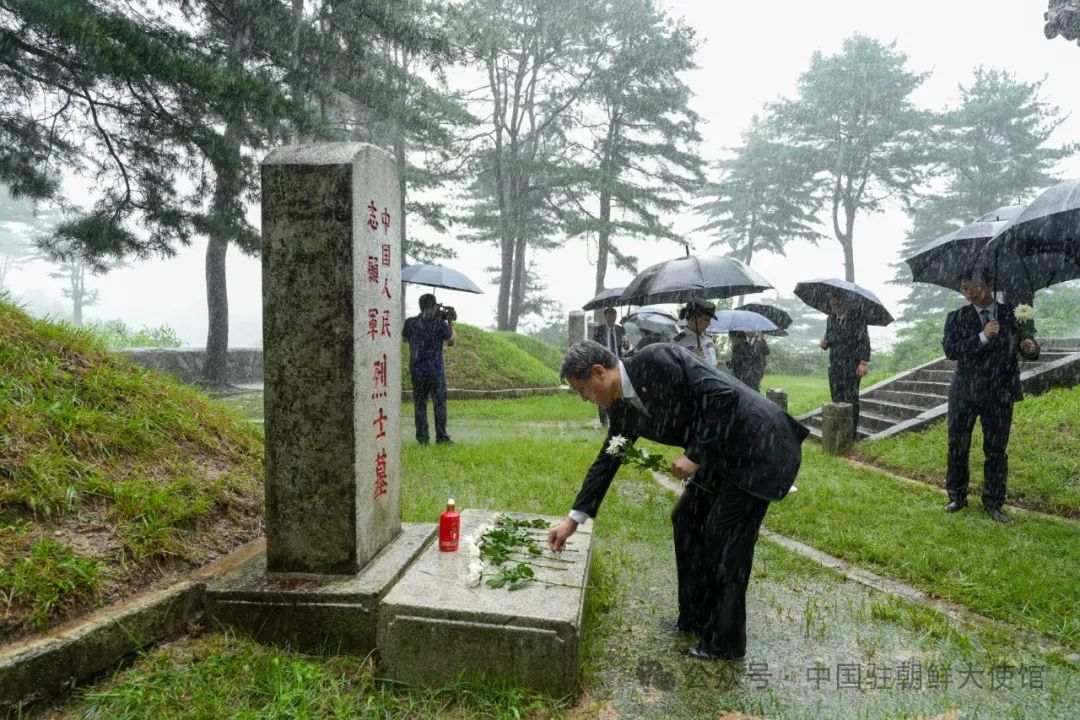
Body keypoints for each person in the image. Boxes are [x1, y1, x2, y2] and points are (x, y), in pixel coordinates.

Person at [549, 340, 809, 661]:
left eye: (582, 390)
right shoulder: (623, 408)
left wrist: (693, 455)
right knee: (686, 519)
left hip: (758, 447)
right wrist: (573, 520)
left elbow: (721, 396)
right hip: (723, 453)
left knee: (723, 535)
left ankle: (724, 642)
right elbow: (607, 460)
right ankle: (695, 618)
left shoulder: (656, 359)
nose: (584, 398)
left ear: (599, 372)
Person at [942, 272, 1039, 523]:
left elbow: (1027, 344)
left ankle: (994, 502)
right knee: (957, 446)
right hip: (965, 392)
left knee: (996, 450)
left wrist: (1030, 348)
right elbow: (951, 351)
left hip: (1000, 392)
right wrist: (983, 336)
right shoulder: (957, 318)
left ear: (989, 285)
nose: (970, 293)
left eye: (974, 286)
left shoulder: (1012, 315)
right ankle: (957, 496)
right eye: (964, 288)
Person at [402, 293, 457, 445]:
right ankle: (441, 436)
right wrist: (450, 322)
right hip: (435, 371)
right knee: (439, 404)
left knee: (419, 405)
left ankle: (422, 439)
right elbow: (451, 341)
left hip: (417, 371)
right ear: (433, 307)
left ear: (420, 306)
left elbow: (405, 339)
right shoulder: (439, 324)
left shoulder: (410, 322)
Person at [819, 294, 871, 439]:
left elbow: (864, 342)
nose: (834, 304)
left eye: (837, 302)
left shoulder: (857, 318)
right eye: (832, 302)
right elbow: (829, 338)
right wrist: (825, 343)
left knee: (851, 400)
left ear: (845, 301)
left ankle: (850, 435)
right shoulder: (830, 319)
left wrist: (863, 362)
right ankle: (837, 432)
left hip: (852, 366)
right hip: (835, 365)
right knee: (836, 398)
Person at [592, 307, 629, 426]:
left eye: (614, 315)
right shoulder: (599, 330)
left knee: (618, 391)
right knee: (602, 390)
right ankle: (604, 421)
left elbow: (626, 348)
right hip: (603, 364)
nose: (613, 318)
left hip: (617, 364)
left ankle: (617, 417)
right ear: (605, 316)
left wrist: (626, 343)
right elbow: (594, 348)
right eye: (610, 315)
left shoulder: (620, 329)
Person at [673, 299, 718, 367]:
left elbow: (713, 364)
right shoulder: (677, 342)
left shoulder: (708, 339)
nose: (709, 324)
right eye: (706, 320)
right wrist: (691, 359)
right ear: (693, 319)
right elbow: (673, 369)